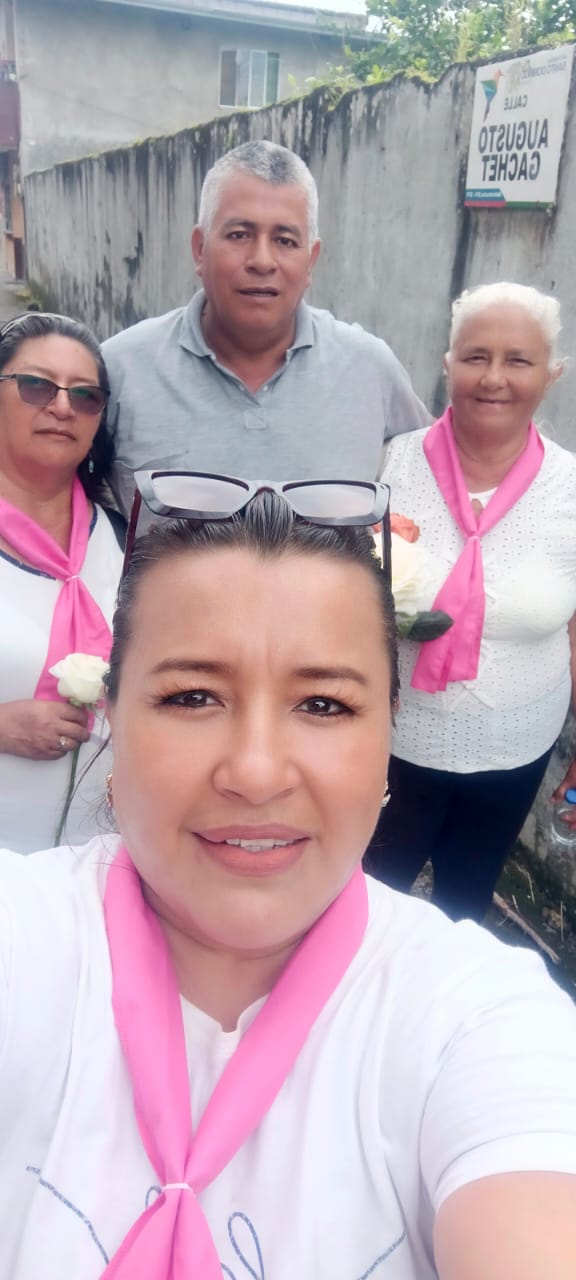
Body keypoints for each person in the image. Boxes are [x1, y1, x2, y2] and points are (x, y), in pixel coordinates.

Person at [2, 476, 576, 1279]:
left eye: (324, 705)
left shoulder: (479, 1022)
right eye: (193, 696)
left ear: (387, 739)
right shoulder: (24, 934)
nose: (257, 772)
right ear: (112, 718)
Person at [365, 281, 576, 922]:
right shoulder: (389, 467)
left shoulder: (570, 491)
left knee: (465, 898)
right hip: (391, 739)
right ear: (447, 363)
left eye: (519, 360)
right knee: (372, 893)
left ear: (551, 375)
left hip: (517, 744)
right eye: (476, 356)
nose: (494, 377)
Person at [101, 140, 429, 516]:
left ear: (311, 261)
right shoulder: (121, 370)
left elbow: (441, 473)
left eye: (285, 241)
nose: (261, 260)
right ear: (200, 249)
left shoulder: (370, 370)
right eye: (239, 235)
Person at [0, 311, 124, 853]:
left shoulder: (124, 539)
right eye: (36, 385)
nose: (62, 407)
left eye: (85, 395)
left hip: (106, 855)